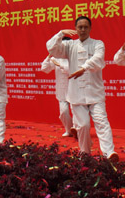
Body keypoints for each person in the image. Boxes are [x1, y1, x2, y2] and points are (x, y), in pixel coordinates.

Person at [46, 16, 118, 162]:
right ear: (76, 29)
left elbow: (98, 59)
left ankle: (109, 153)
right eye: (80, 27)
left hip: (95, 93)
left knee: (102, 122)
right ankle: (85, 152)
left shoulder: (98, 44)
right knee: (83, 126)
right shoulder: (69, 45)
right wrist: (60, 34)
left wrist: (84, 68)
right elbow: (52, 49)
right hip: (76, 94)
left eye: (85, 27)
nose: (83, 30)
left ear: (90, 28)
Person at [41, 39, 74, 137]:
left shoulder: (74, 57)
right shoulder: (56, 58)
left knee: (77, 113)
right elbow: (44, 69)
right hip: (62, 90)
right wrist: (49, 56)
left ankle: (78, 130)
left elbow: (70, 71)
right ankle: (69, 130)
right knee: (64, 112)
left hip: (75, 89)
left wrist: (60, 65)